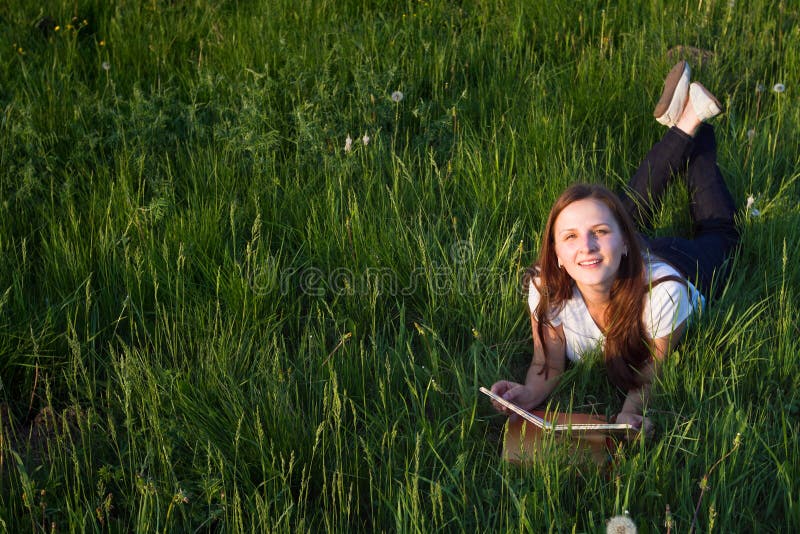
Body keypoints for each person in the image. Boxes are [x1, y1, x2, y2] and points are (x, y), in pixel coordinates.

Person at [490, 61, 739, 437]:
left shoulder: (663, 295)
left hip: (680, 266)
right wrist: (526, 394)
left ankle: (697, 131)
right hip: (625, 259)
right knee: (613, 208)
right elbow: (549, 365)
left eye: (599, 234)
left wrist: (630, 413)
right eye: (569, 237)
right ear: (556, 252)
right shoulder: (547, 289)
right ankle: (689, 119)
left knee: (720, 231)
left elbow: (651, 373)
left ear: (625, 242)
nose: (585, 246)